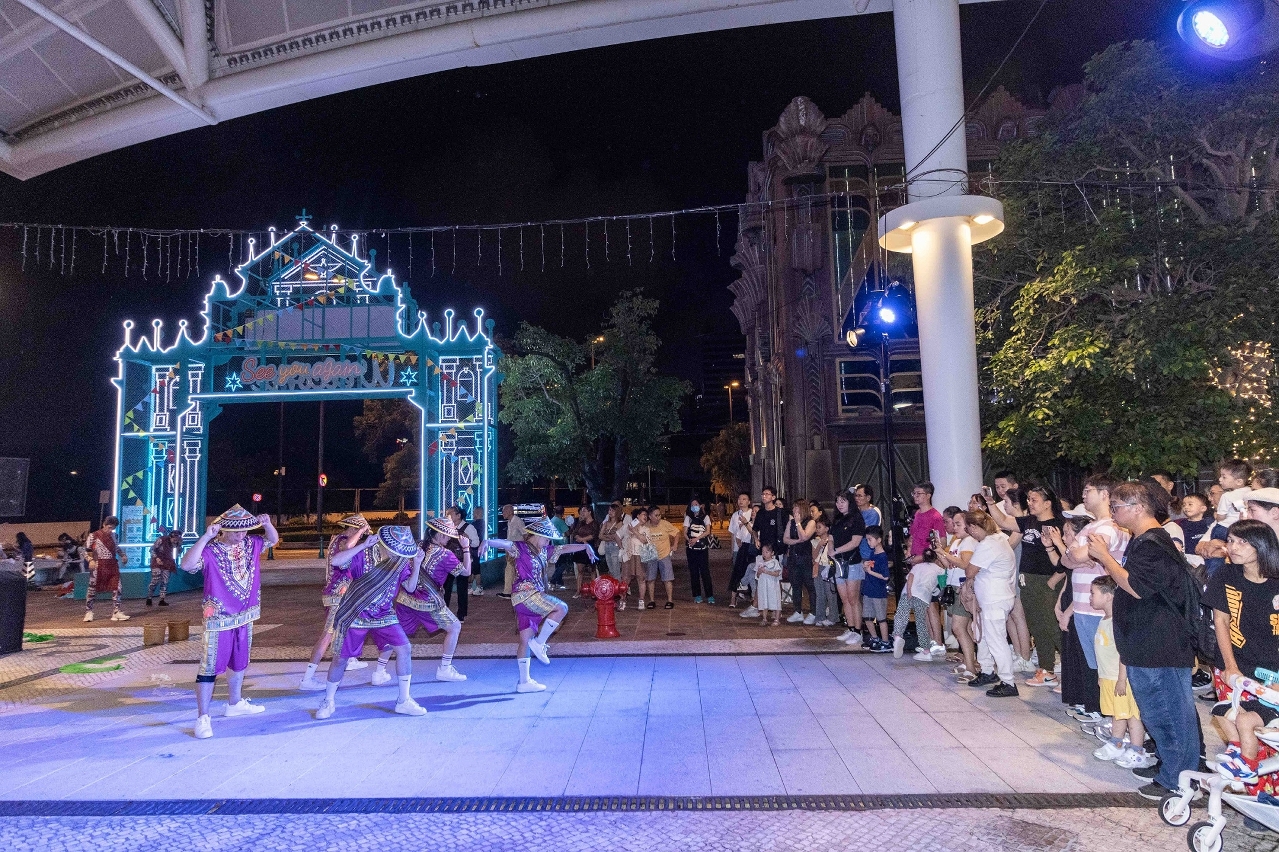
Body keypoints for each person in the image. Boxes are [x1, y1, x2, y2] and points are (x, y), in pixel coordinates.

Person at [1087, 481, 1200, 800]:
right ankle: (1171, 767)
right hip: (1147, 641)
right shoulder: (1145, 540)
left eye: (1116, 506)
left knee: (1167, 713)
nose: (1112, 512)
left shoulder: (1153, 543)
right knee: (1159, 712)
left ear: (1138, 507)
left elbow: (1137, 587)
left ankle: (1179, 780)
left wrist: (1105, 557)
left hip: (1159, 644)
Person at [179, 505, 279, 739]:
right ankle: (203, 717)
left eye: (244, 531)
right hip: (219, 618)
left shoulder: (251, 543)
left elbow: (273, 540)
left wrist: (267, 524)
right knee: (209, 666)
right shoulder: (210, 550)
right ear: (223, 530)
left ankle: (235, 702)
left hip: (245, 614)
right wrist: (206, 537)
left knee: (240, 660)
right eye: (236, 532)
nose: (241, 535)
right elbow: (186, 565)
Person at [317, 525, 427, 720]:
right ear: (384, 545)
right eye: (394, 551)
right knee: (340, 659)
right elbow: (336, 561)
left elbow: (410, 588)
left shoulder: (400, 561)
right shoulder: (365, 554)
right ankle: (328, 700)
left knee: (405, 648)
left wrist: (417, 564)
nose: (396, 555)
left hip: (384, 614)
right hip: (355, 612)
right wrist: (362, 545)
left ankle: (403, 700)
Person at [479, 518, 597, 692]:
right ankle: (540, 643)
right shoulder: (520, 547)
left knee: (525, 641)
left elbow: (564, 548)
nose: (549, 542)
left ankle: (524, 682)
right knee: (562, 608)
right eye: (547, 538)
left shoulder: (544, 551)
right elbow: (505, 543)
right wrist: (487, 541)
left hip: (526, 599)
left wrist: (585, 547)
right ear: (538, 535)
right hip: (526, 596)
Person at [1203, 519, 1279, 785]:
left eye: (1242, 542)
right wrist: (1230, 666)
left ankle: (1266, 793)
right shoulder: (1226, 575)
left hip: (1272, 671)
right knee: (1227, 714)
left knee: (1266, 735)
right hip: (1233, 664)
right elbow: (1221, 622)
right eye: (1231, 541)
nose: (1233, 547)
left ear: (1262, 546)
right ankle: (1241, 767)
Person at [1059, 475, 1129, 723]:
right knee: (1091, 663)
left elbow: (1078, 555)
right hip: (1082, 605)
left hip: (1101, 608)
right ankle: (1098, 710)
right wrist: (1075, 554)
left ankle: (1110, 715)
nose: (1083, 495)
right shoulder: (1090, 527)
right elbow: (1067, 560)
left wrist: (1077, 554)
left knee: (1106, 664)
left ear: (1104, 494)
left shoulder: (1109, 527)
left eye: (1088, 490)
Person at [371, 516, 472, 687]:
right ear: (440, 535)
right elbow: (466, 572)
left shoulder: (416, 546)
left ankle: (379, 672)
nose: (449, 539)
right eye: (447, 536)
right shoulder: (445, 554)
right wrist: (466, 548)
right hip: (428, 602)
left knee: (395, 634)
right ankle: (445, 669)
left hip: (405, 599)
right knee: (455, 627)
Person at [988, 484, 1066, 688]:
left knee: (1052, 626)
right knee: (1037, 627)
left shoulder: (1059, 524)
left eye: (1034, 500)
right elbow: (1003, 521)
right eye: (1029, 499)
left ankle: (1071, 671)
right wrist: (990, 503)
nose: (1030, 503)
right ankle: (1046, 670)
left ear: (1047, 503)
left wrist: (1053, 581)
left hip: (1048, 580)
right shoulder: (1029, 521)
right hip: (1028, 580)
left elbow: (1067, 557)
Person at [1088, 575, 1155, 768]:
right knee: (1118, 714)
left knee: (1132, 715)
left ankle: (1137, 750)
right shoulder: (1105, 620)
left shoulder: (1118, 622)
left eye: (1093, 593)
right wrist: (1102, 676)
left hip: (1120, 679)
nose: (1090, 598)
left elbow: (1124, 654)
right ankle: (1116, 743)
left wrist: (1121, 679)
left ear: (1108, 596)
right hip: (1108, 677)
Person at [300, 515, 372, 691]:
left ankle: (350, 659)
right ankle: (307, 679)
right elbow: (348, 547)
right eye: (360, 532)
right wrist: (362, 532)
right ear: (353, 529)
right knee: (327, 635)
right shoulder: (343, 540)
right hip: (337, 595)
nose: (361, 537)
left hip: (340, 593)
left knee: (349, 626)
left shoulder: (335, 539)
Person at [964, 510, 1020, 697]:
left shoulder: (988, 544)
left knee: (996, 640)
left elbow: (970, 571)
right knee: (984, 637)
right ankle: (987, 671)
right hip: (994, 597)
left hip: (995, 599)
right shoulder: (1000, 538)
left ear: (974, 527)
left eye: (969, 529)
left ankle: (1008, 682)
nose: (970, 533)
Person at [935, 508, 979, 680]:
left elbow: (965, 564)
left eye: (958, 524)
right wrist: (941, 554)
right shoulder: (957, 542)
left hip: (963, 587)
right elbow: (949, 565)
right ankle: (969, 662)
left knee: (958, 627)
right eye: (954, 524)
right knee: (965, 628)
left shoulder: (968, 542)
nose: (954, 527)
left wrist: (946, 554)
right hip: (955, 586)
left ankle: (971, 668)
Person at [829, 491, 868, 647]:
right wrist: (831, 549)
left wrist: (836, 551)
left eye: (843, 501)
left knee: (853, 599)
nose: (839, 504)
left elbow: (855, 542)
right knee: (844, 599)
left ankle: (858, 631)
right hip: (838, 563)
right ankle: (851, 628)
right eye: (837, 501)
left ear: (850, 502)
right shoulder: (837, 519)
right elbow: (831, 537)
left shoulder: (857, 519)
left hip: (852, 563)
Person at [893, 547, 942, 661]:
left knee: (901, 615)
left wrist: (909, 590)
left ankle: (898, 636)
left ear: (923, 557)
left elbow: (910, 577)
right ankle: (926, 651)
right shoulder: (939, 570)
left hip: (908, 593)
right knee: (921, 623)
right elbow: (942, 583)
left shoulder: (917, 566)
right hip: (923, 597)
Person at [84, 516, 128, 622]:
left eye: (113, 528)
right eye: (109, 527)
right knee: (92, 589)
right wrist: (90, 560)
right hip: (98, 565)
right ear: (104, 524)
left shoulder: (114, 536)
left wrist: (122, 555)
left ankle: (116, 612)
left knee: (118, 587)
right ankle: (89, 612)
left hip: (112, 564)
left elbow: (116, 547)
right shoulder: (94, 535)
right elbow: (83, 550)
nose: (110, 530)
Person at [783, 499, 817, 624]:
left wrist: (798, 524)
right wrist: (796, 541)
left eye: (796, 508)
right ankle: (798, 611)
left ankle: (813, 612)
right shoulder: (790, 522)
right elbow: (786, 539)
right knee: (796, 585)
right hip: (793, 557)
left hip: (805, 558)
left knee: (810, 586)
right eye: (793, 508)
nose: (793, 510)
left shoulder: (811, 522)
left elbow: (805, 537)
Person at [858, 525, 891, 650]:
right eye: (867, 539)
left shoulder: (882, 556)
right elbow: (872, 566)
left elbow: (885, 576)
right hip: (869, 590)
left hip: (878, 591)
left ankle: (885, 642)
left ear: (878, 540)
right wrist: (867, 565)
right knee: (867, 617)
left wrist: (870, 572)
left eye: (870, 539)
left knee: (881, 618)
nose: (868, 542)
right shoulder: (873, 553)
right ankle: (875, 638)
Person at [642, 505, 679, 609]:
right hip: (651, 555)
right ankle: (651, 600)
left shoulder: (665, 524)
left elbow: (676, 532)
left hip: (664, 554)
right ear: (650, 516)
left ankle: (670, 600)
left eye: (659, 515)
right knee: (650, 579)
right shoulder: (645, 526)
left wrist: (675, 544)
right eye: (656, 515)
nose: (658, 517)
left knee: (667, 578)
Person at [445, 505, 482, 601]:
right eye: (447, 514)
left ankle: (462, 610)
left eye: (450, 514)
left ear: (458, 516)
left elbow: (476, 543)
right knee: (447, 586)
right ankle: (445, 606)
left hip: (462, 561)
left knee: (462, 588)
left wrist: (467, 539)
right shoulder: (447, 527)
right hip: (449, 560)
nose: (447, 516)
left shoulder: (469, 527)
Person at [906, 482, 946, 567]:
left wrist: (922, 557)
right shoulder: (917, 513)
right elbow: (912, 536)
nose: (915, 496)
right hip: (914, 560)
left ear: (928, 496)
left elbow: (942, 542)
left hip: (929, 562)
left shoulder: (935, 516)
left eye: (919, 493)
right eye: (914, 493)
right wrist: (909, 551)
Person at [727, 493, 756, 609]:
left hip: (751, 548)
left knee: (751, 573)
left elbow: (753, 532)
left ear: (749, 502)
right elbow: (733, 534)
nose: (741, 501)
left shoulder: (753, 513)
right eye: (739, 499)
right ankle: (734, 597)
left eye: (744, 499)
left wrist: (745, 522)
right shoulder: (735, 515)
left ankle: (752, 597)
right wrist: (732, 550)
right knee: (737, 573)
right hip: (739, 549)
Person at [811, 513, 840, 628]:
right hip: (818, 567)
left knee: (830, 593)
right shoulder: (815, 541)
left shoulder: (832, 540)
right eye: (816, 527)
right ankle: (820, 617)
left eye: (819, 527)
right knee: (820, 594)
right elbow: (814, 556)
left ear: (827, 528)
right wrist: (819, 545)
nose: (817, 529)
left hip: (829, 567)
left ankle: (833, 617)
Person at [683, 498, 715, 603]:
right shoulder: (688, 517)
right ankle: (697, 595)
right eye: (692, 505)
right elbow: (684, 532)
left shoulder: (705, 517)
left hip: (702, 549)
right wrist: (690, 540)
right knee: (694, 572)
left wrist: (696, 539)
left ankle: (710, 595)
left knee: (705, 572)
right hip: (691, 549)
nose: (694, 506)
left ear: (700, 505)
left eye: (696, 504)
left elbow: (708, 531)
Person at [146, 529, 182, 607]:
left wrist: (179, 546)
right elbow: (152, 549)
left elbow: (178, 552)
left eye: (177, 539)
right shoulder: (161, 539)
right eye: (174, 539)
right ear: (171, 537)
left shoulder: (177, 543)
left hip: (167, 562)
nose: (175, 541)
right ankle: (149, 598)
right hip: (157, 561)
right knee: (155, 580)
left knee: (165, 581)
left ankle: (162, 599)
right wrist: (156, 558)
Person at [570, 506, 600, 596]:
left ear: (590, 512)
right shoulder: (580, 523)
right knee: (580, 570)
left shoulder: (595, 523)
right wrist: (581, 540)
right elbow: (575, 533)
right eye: (582, 511)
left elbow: (594, 535)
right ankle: (578, 590)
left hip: (590, 547)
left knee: (592, 570)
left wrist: (583, 539)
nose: (582, 513)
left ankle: (594, 590)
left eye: (584, 511)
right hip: (580, 548)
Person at [621, 507, 647, 609]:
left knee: (641, 578)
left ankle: (641, 600)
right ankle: (623, 600)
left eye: (646, 515)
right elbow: (618, 535)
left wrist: (635, 531)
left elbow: (644, 540)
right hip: (629, 555)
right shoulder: (627, 527)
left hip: (640, 555)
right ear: (638, 516)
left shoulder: (646, 529)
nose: (645, 517)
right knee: (626, 579)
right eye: (643, 514)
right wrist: (621, 548)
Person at [752, 486, 787, 563]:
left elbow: (786, 531)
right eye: (763, 494)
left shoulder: (781, 513)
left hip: (777, 549)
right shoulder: (760, 513)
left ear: (773, 497)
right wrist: (756, 539)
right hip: (763, 549)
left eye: (767, 494)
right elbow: (755, 529)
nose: (764, 496)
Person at [498, 504, 526, 599]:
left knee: (510, 569)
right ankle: (511, 590)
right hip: (511, 549)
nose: (502, 513)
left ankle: (508, 591)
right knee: (512, 569)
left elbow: (525, 535)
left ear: (510, 511)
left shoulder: (518, 521)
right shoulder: (510, 522)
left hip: (516, 549)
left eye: (504, 511)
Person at [753, 542, 783, 626]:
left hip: (772, 586)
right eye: (763, 552)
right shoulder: (760, 562)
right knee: (764, 601)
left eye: (767, 552)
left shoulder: (774, 562)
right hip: (763, 585)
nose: (764, 554)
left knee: (776, 601)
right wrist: (759, 572)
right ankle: (764, 618)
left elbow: (777, 573)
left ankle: (777, 619)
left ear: (772, 553)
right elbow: (757, 576)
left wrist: (766, 571)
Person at [600, 502, 625, 580]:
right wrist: (610, 537)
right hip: (607, 547)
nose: (610, 512)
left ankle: (618, 586)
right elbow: (600, 536)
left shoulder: (620, 523)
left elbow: (617, 536)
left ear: (617, 512)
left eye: (612, 510)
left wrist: (606, 537)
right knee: (611, 569)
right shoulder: (606, 523)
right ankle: (615, 585)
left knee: (616, 570)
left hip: (615, 547)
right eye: (609, 510)